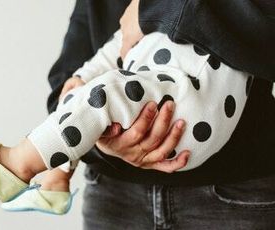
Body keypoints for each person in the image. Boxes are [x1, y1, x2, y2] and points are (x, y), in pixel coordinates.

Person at [42, 0, 274, 229]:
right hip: (113, 194)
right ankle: (31, 162)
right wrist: (101, 139)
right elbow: (69, 77)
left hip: (237, 188)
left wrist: (149, 10)